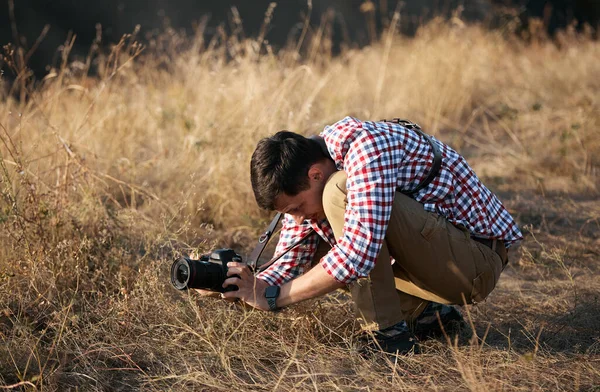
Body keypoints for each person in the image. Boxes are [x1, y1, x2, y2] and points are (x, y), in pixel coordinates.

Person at [213, 116, 523, 353]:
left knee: (339, 196)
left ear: (314, 175)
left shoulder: (365, 149)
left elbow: (358, 253)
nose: (296, 218)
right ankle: (428, 317)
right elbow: (293, 261)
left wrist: (272, 296)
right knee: (323, 240)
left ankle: (389, 335)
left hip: (474, 264)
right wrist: (233, 283)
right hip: (439, 264)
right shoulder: (314, 173)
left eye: (295, 208)